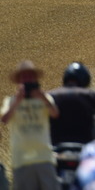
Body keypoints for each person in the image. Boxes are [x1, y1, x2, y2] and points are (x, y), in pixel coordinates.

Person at [1, 60, 60, 190]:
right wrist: (17, 101)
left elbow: (55, 114)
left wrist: (43, 97)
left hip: (45, 158)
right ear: (19, 80)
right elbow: (4, 119)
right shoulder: (11, 101)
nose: (27, 79)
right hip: (21, 160)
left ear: (35, 78)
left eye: (30, 76)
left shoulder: (44, 98)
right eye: (24, 76)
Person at [49, 62, 95, 145]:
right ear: (85, 79)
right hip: (85, 145)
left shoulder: (51, 96)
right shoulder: (89, 94)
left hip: (56, 146)